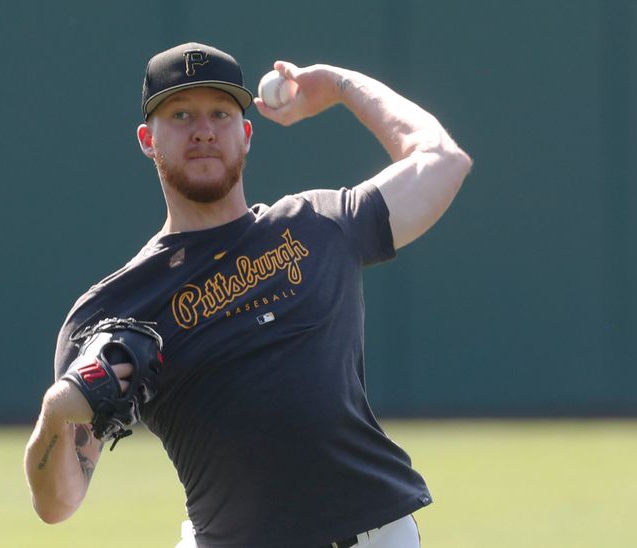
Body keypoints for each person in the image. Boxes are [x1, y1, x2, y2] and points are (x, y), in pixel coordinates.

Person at [24, 42, 472, 548]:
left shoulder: (319, 225)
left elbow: (442, 160)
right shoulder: (116, 309)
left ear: (247, 133)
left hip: (373, 535)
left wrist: (343, 86)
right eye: (181, 114)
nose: (203, 130)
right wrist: (55, 414)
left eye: (220, 112)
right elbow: (57, 504)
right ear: (148, 139)